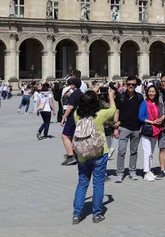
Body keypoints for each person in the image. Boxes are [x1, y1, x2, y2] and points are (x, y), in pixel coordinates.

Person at [71, 89, 117, 225]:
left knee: (82, 184)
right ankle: (97, 214)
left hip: (83, 155)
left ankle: (76, 215)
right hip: (99, 153)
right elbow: (113, 109)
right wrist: (110, 96)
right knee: (98, 184)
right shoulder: (100, 115)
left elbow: (81, 106)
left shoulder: (76, 115)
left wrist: (87, 95)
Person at [113, 76, 144, 182]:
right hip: (123, 127)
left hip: (136, 128)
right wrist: (115, 128)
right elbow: (117, 111)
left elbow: (143, 112)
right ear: (125, 84)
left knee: (134, 151)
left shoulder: (140, 97)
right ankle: (120, 173)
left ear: (136, 85)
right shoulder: (121, 96)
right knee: (121, 151)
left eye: (133, 84)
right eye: (129, 84)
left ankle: (132, 171)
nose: (131, 86)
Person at [138, 85, 162, 182]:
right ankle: (146, 172)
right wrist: (152, 122)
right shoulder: (144, 103)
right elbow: (140, 117)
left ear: (156, 93)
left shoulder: (158, 104)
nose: (151, 93)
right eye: (150, 91)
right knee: (147, 152)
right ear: (147, 92)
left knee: (151, 152)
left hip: (155, 129)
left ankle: (149, 170)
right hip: (147, 129)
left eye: (153, 91)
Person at [61, 78, 83, 166]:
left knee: (65, 136)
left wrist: (63, 117)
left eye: (71, 84)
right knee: (73, 136)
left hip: (72, 118)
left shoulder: (73, 94)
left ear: (74, 85)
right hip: (79, 117)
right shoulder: (81, 93)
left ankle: (71, 156)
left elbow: (70, 107)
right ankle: (75, 153)